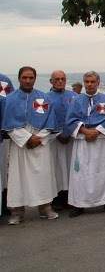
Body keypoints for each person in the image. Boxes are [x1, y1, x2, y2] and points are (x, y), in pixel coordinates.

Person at [1, 66, 59, 225]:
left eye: (31, 78)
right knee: (18, 177)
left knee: (43, 175)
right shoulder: (10, 99)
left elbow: (50, 122)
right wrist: (27, 138)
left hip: (40, 142)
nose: (28, 80)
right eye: (24, 77)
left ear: (35, 78)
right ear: (19, 78)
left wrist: (38, 138)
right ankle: (17, 211)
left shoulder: (44, 98)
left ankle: (45, 207)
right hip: (20, 143)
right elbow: (8, 124)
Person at [66, 71, 105, 217]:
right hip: (83, 142)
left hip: (101, 142)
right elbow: (70, 120)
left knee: (104, 172)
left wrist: (96, 131)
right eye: (87, 82)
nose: (89, 84)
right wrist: (84, 130)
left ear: (97, 82)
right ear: (84, 83)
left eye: (92, 82)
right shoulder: (77, 100)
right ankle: (79, 204)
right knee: (81, 173)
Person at [48, 70, 76, 210]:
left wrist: (70, 132)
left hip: (71, 138)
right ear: (51, 81)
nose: (60, 81)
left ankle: (71, 197)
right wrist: (58, 134)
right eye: (57, 79)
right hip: (54, 139)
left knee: (71, 166)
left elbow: (79, 115)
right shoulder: (45, 98)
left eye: (63, 79)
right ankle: (57, 198)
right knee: (56, 168)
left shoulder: (74, 96)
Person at [0, 72, 14, 216]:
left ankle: (2, 205)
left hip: (1, 133)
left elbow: (11, 103)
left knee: (2, 172)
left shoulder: (4, 81)